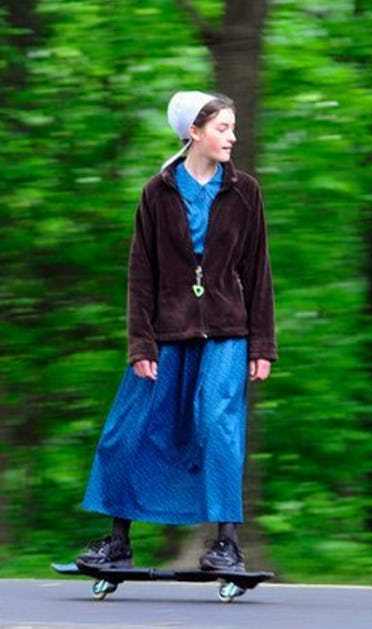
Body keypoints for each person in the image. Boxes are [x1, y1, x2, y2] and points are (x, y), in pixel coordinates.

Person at [74, 90, 278, 573]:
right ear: (194, 132)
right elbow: (140, 273)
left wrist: (263, 344)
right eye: (223, 128)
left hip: (229, 330)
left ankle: (226, 543)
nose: (233, 137)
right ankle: (118, 540)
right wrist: (140, 342)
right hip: (165, 332)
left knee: (217, 425)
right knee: (128, 430)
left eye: (233, 127)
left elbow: (258, 270)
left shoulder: (245, 191)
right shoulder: (157, 192)